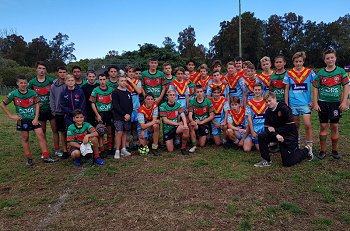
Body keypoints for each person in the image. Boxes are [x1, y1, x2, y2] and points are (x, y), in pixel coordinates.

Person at [1, 75, 58, 165]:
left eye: (25, 83)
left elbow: (37, 104)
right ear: (17, 83)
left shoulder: (32, 93)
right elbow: (2, 104)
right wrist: (11, 116)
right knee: (25, 138)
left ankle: (46, 156)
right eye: (21, 83)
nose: (23, 85)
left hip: (33, 119)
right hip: (22, 120)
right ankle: (29, 158)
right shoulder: (13, 94)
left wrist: (36, 118)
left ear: (27, 83)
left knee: (41, 135)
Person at [254, 92, 313, 167]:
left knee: (287, 162)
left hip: (289, 135)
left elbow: (290, 127)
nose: (268, 103)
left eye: (270, 101)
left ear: (275, 99)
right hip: (278, 135)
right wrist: (276, 134)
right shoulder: (268, 111)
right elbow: (267, 128)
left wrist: (275, 130)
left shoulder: (284, 108)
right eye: (266, 102)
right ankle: (266, 160)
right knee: (262, 136)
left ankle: (307, 149)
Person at [313, 49, 349, 159]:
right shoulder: (320, 73)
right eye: (327, 58)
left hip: (335, 104)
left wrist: (344, 101)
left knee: (334, 126)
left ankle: (334, 151)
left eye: (332, 57)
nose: (330, 60)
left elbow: (346, 86)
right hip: (323, 103)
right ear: (324, 60)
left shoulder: (341, 72)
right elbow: (315, 88)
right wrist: (315, 103)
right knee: (323, 126)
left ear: (335, 58)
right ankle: (322, 151)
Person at [284, 51, 316, 150]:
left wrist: (314, 101)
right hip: (293, 103)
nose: (298, 63)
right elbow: (286, 89)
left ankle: (309, 146)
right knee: (296, 125)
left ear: (303, 62)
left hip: (305, 103)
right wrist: (286, 102)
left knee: (307, 124)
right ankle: (296, 145)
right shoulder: (289, 73)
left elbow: (315, 86)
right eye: (296, 61)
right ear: (293, 62)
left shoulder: (309, 72)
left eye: (300, 61)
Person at [28, 61, 60, 156]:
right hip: (40, 111)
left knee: (55, 130)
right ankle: (45, 150)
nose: (41, 70)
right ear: (36, 69)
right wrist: (34, 104)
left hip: (51, 109)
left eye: (43, 68)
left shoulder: (51, 81)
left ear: (46, 70)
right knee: (43, 131)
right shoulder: (32, 82)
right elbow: (28, 95)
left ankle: (57, 149)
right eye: (40, 68)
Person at [90, 73, 114, 157]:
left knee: (110, 131)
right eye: (100, 79)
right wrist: (97, 114)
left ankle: (110, 148)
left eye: (104, 79)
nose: (102, 81)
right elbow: (92, 103)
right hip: (100, 113)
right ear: (98, 80)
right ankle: (102, 149)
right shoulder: (96, 90)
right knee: (100, 132)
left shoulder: (111, 89)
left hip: (109, 113)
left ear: (107, 80)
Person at [160, 90, 190, 155]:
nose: (172, 96)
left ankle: (183, 148)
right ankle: (173, 139)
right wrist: (177, 123)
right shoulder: (163, 106)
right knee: (170, 150)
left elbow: (182, 115)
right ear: (167, 96)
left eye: (173, 95)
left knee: (186, 128)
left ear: (175, 97)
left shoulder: (178, 105)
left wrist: (185, 124)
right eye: (170, 95)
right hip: (168, 130)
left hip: (176, 128)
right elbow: (165, 120)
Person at [188, 85, 215, 153]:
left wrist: (201, 122)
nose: (199, 93)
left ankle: (196, 137)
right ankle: (194, 145)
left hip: (204, 124)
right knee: (191, 125)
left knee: (201, 144)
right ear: (195, 93)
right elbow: (190, 115)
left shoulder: (208, 101)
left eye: (201, 91)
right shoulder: (192, 102)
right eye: (197, 92)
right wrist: (192, 121)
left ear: (203, 92)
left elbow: (211, 116)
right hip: (196, 123)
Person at [112, 76, 133, 159]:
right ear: (118, 82)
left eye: (125, 81)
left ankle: (123, 149)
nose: (123, 82)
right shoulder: (115, 92)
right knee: (119, 132)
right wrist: (124, 114)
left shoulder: (128, 92)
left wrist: (129, 114)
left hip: (127, 117)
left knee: (125, 132)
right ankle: (117, 150)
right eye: (122, 81)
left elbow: (131, 105)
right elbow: (116, 105)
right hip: (118, 116)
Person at [50, 66, 69, 158]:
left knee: (70, 131)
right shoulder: (54, 86)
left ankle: (71, 148)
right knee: (62, 131)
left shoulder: (69, 84)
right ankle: (64, 149)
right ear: (58, 73)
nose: (62, 74)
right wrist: (54, 111)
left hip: (69, 112)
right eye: (60, 72)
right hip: (59, 112)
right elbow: (52, 99)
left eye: (64, 72)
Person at [125, 65, 143, 149]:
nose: (131, 74)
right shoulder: (124, 82)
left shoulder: (137, 82)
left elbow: (139, 91)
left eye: (133, 72)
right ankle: (127, 144)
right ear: (126, 73)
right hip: (127, 108)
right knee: (127, 127)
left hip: (136, 107)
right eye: (129, 72)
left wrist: (131, 82)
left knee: (136, 127)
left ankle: (136, 143)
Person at [245, 83, 267, 152]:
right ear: (253, 90)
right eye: (255, 90)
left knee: (260, 149)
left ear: (262, 91)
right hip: (254, 127)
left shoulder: (266, 102)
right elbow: (249, 118)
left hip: (264, 127)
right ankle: (253, 141)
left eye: (259, 90)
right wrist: (252, 131)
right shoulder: (249, 103)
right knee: (247, 149)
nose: (257, 91)